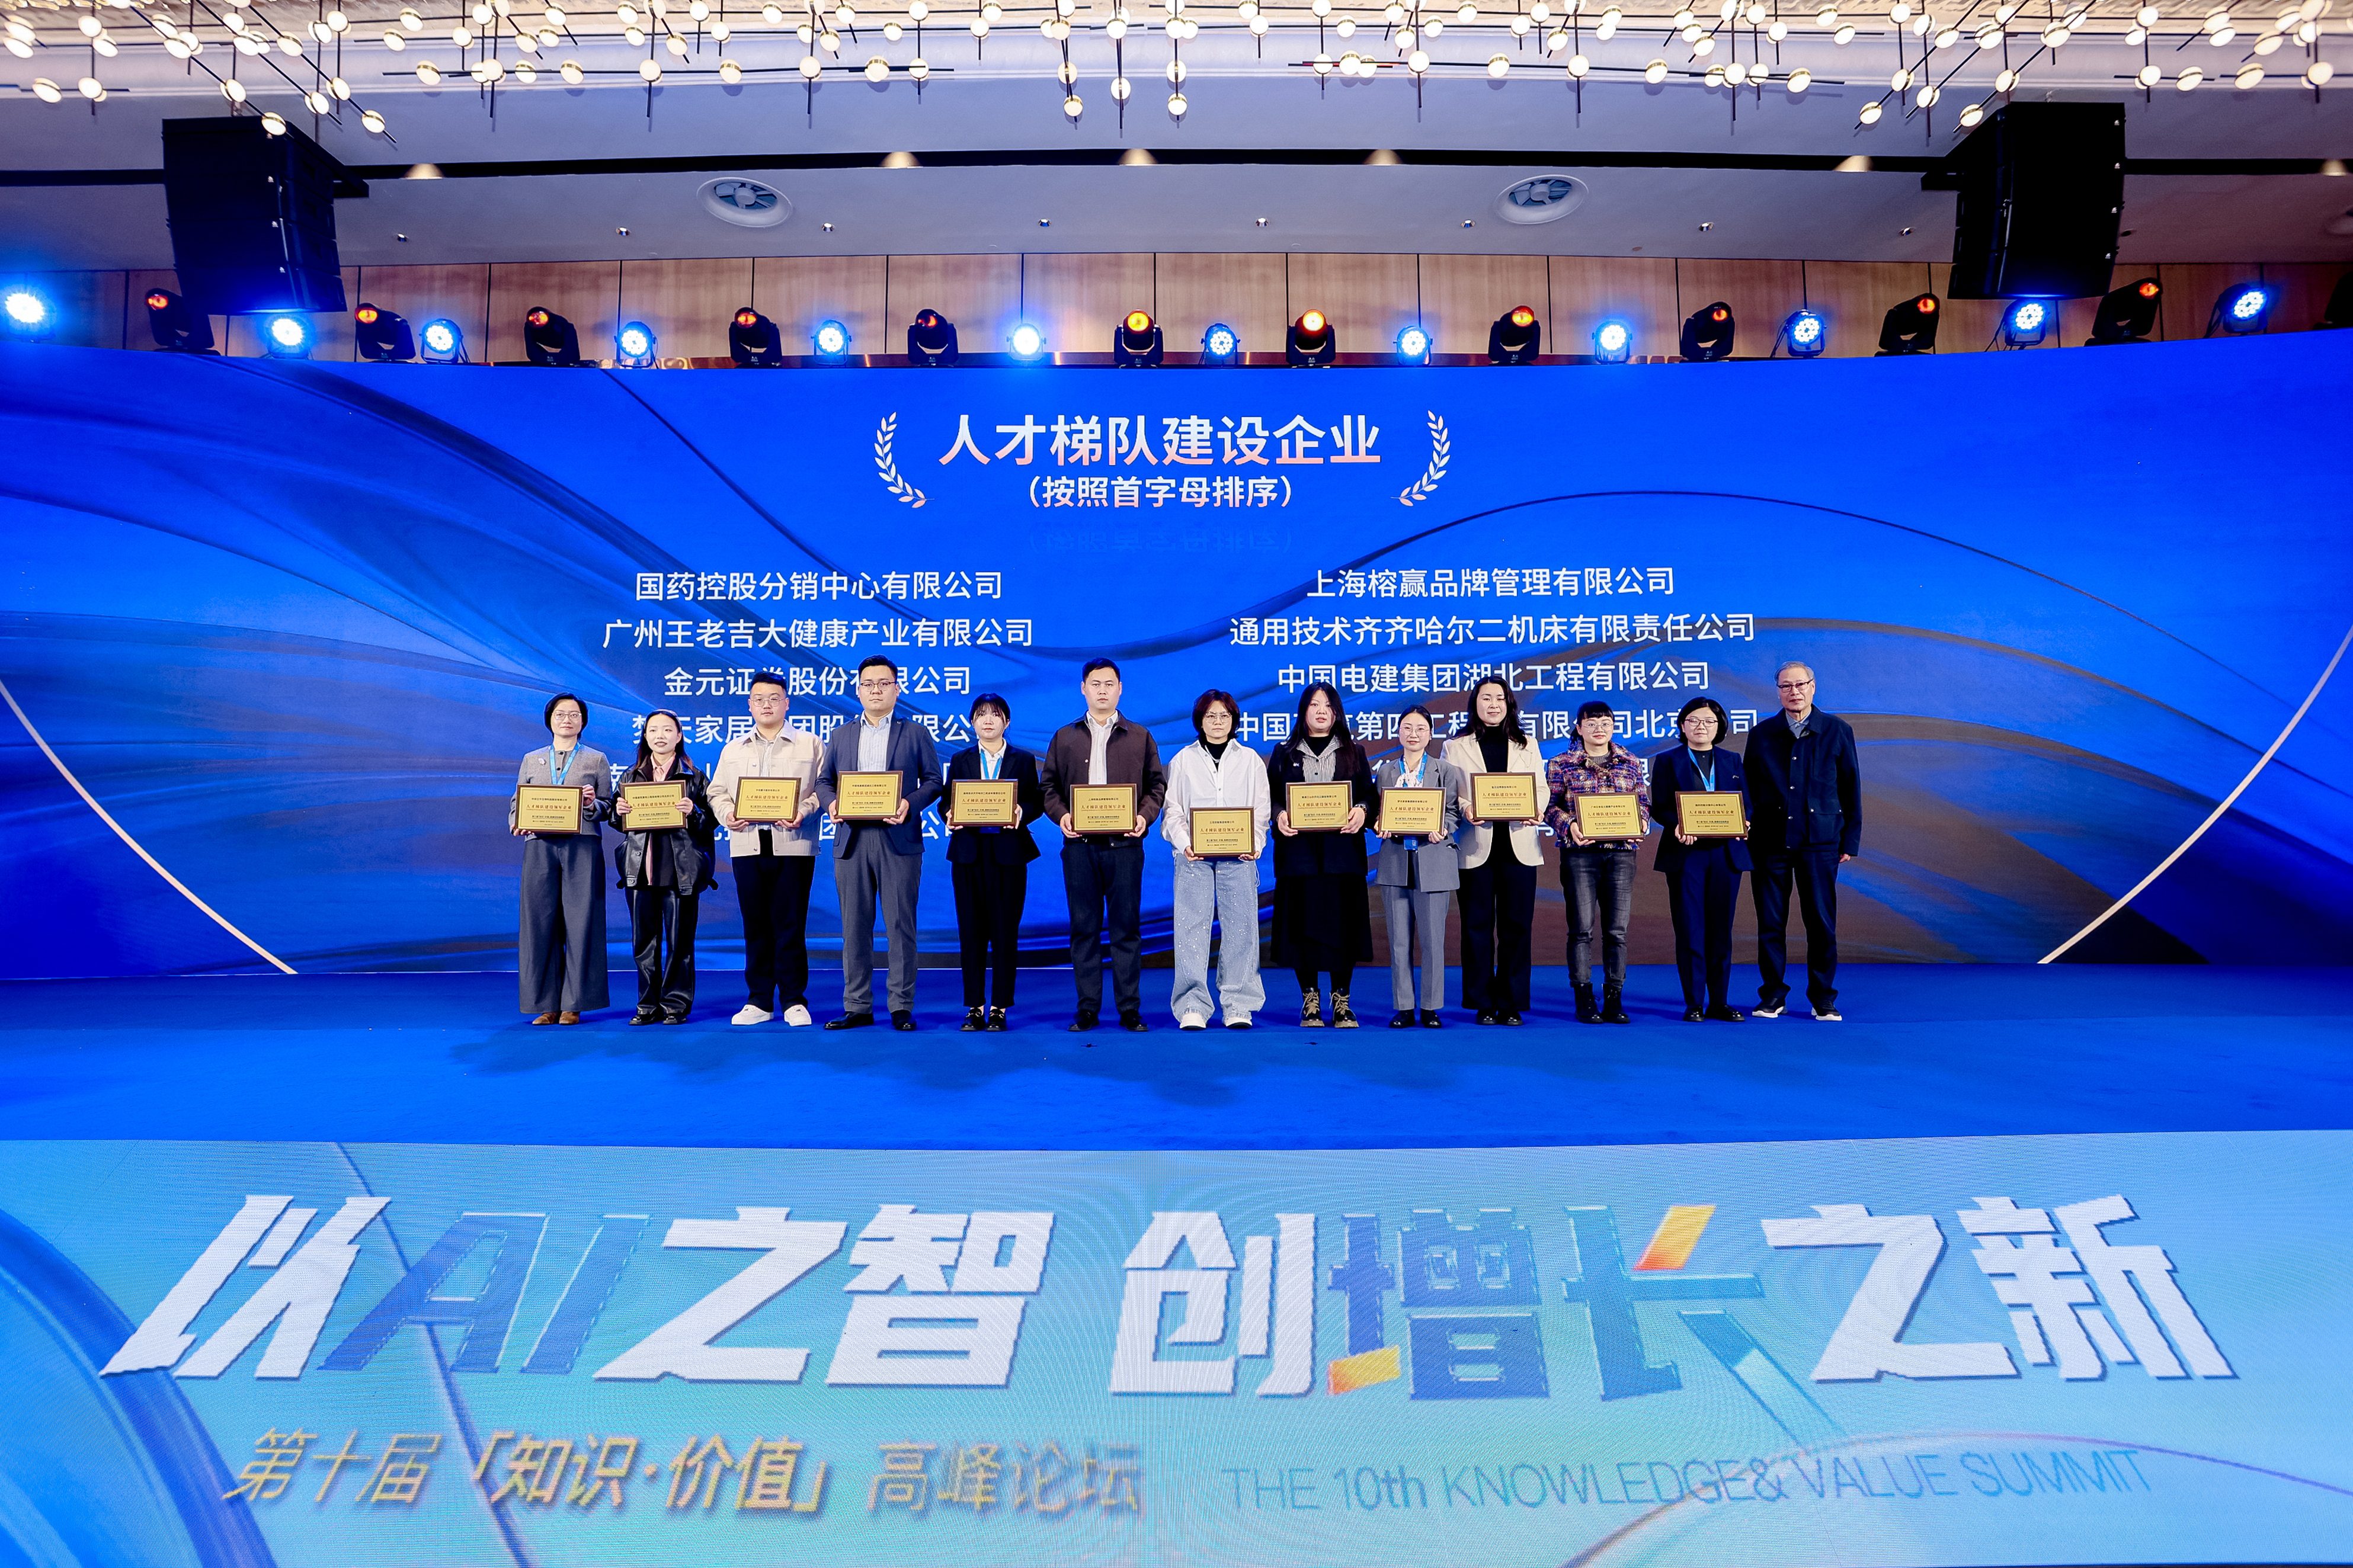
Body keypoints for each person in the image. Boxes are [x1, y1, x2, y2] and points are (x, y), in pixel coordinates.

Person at [815, 655, 942, 1031]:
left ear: (896, 689)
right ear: (858, 690)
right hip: (852, 841)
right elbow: (824, 782)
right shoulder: (841, 734)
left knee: (901, 925)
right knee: (855, 927)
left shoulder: (915, 732)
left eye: (884, 684)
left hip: (898, 839)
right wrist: (831, 803)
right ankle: (857, 1006)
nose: (876, 690)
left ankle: (901, 1006)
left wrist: (908, 804)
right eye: (868, 684)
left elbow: (934, 781)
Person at [1040, 658, 1166, 1034]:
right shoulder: (1065, 737)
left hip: (1125, 847)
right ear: (1083, 689)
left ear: (1120, 689)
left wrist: (1143, 817)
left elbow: (1157, 786)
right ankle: (1088, 1009)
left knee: (1126, 929)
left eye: (1109, 684)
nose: (1102, 691)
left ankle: (1129, 1009)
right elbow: (1048, 787)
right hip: (1080, 848)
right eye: (1095, 684)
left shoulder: (1140, 736)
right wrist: (1062, 815)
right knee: (1084, 929)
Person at [1744, 659, 1862, 1021]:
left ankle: (1823, 998)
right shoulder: (1762, 734)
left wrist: (1850, 840)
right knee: (1770, 924)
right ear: (1778, 692)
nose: (1793, 692)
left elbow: (1851, 788)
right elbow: (1749, 789)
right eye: (1786, 686)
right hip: (1770, 843)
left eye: (1800, 685)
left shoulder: (1837, 730)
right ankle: (1772, 996)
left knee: (1821, 923)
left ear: (1813, 687)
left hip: (1820, 843)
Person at [707, 671, 822, 1028]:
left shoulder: (810, 745)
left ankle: (794, 1000)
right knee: (755, 924)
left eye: (774, 698)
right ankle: (759, 1000)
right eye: (759, 699)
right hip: (747, 845)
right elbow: (716, 792)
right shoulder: (733, 749)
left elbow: (825, 789)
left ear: (787, 703)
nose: (766, 705)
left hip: (794, 845)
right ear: (749, 705)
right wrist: (727, 814)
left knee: (791, 924)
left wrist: (803, 810)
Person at [1267, 681, 1376, 1027]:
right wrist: (1279, 815)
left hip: (1342, 857)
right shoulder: (1284, 752)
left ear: (1337, 713)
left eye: (1328, 706)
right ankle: (1310, 999)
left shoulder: (1354, 751)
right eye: (1314, 705)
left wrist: (1361, 810)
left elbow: (1370, 796)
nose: (1321, 711)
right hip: (1299, 858)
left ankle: (1341, 1001)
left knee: (1343, 928)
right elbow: (1270, 797)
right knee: (1303, 929)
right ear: (1303, 711)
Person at [1161, 689, 1269, 1031]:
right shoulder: (1183, 760)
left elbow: (1261, 811)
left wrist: (1254, 844)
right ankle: (1192, 1004)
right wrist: (1185, 843)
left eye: (1224, 716)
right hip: (1193, 857)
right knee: (1191, 928)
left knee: (1242, 928)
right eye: (1211, 716)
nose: (1218, 722)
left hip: (1239, 856)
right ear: (1200, 721)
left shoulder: (1250, 760)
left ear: (1234, 720)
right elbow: (1172, 811)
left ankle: (1238, 1004)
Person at [1442, 676, 1546, 1026]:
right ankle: (1483, 1001)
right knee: (1477, 927)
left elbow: (1541, 787)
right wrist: (1467, 808)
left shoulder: (1527, 743)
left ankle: (1511, 1001)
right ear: (1475, 704)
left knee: (1517, 927)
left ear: (1509, 704)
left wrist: (1536, 808)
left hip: (1519, 847)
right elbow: (1450, 792)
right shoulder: (1455, 746)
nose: (1493, 705)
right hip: (1476, 847)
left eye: (1500, 698)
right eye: (1486, 698)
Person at [1544, 699, 1652, 1026]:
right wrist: (1570, 826)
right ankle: (1584, 996)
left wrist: (1641, 823)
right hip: (1580, 855)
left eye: (1605, 723)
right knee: (1581, 930)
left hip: (1621, 854)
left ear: (1614, 727)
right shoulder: (1561, 763)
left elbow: (1643, 803)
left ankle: (1614, 997)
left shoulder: (1630, 761)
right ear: (1579, 728)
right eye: (1591, 723)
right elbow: (1549, 806)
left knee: (1617, 931)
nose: (1599, 729)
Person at [943, 692, 1044, 1032]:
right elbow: (946, 801)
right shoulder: (960, 759)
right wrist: (950, 814)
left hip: (1009, 855)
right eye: (981, 714)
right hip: (968, 855)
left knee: (1005, 932)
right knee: (970, 931)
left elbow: (1036, 801)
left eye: (995, 714)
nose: (988, 720)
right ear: (972, 722)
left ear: (1007, 722)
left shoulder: (1023, 760)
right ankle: (974, 1007)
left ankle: (999, 1007)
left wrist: (1021, 813)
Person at [511, 692, 612, 1024]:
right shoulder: (531, 759)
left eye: (574, 715)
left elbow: (608, 807)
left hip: (582, 845)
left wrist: (591, 804)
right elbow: (517, 802)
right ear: (549, 719)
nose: (567, 719)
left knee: (582, 922)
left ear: (583, 722)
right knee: (538, 922)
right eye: (560, 714)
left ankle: (574, 1003)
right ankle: (546, 1004)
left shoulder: (596, 759)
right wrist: (517, 822)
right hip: (540, 844)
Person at [612, 709, 716, 1024]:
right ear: (645, 736)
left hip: (680, 869)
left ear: (679, 736)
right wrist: (619, 812)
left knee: (680, 941)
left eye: (668, 730)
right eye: (654, 730)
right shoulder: (630, 776)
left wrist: (694, 812)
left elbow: (711, 822)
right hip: (641, 867)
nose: (660, 736)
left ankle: (675, 1004)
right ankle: (647, 1005)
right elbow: (617, 821)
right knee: (644, 942)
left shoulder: (694, 776)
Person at [1650, 696, 1751, 1023]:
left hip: (1725, 854)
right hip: (1686, 854)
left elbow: (1746, 802)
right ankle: (1694, 1002)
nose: (1701, 727)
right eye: (1693, 721)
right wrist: (1677, 824)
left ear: (1719, 726)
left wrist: (1745, 821)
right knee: (1690, 928)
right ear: (1683, 726)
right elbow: (1660, 806)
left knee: (1721, 930)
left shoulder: (1732, 760)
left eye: (1709, 721)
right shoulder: (1668, 760)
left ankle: (1719, 1002)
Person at [1371, 703, 1463, 1028]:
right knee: (1399, 940)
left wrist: (1444, 829)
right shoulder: (1386, 771)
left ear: (1431, 734)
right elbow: (1378, 812)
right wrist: (1379, 823)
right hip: (1396, 861)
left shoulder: (1445, 770)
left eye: (1421, 728)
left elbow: (1452, 812)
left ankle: (1431, 1007)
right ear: (1398, 733)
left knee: (1433, 940)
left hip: (1433, 860)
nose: (1414, 734)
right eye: (1407, 728)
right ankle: (1404, 1007)